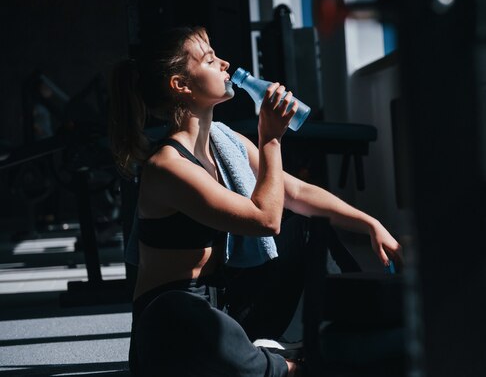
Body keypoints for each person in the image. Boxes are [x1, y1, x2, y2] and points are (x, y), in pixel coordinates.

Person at [108, 26, 403, 377]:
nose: (225, 63)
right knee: (183, 317)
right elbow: (265, 220)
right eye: (209, 59)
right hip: (176, 318)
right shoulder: (167, 167)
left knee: (308, 227)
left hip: (230, 304)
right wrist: (271, 140)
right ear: (181, 85)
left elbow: (298, 193)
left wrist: (371, 224)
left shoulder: (224, 140)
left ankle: (354, 321)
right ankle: (287, 366)